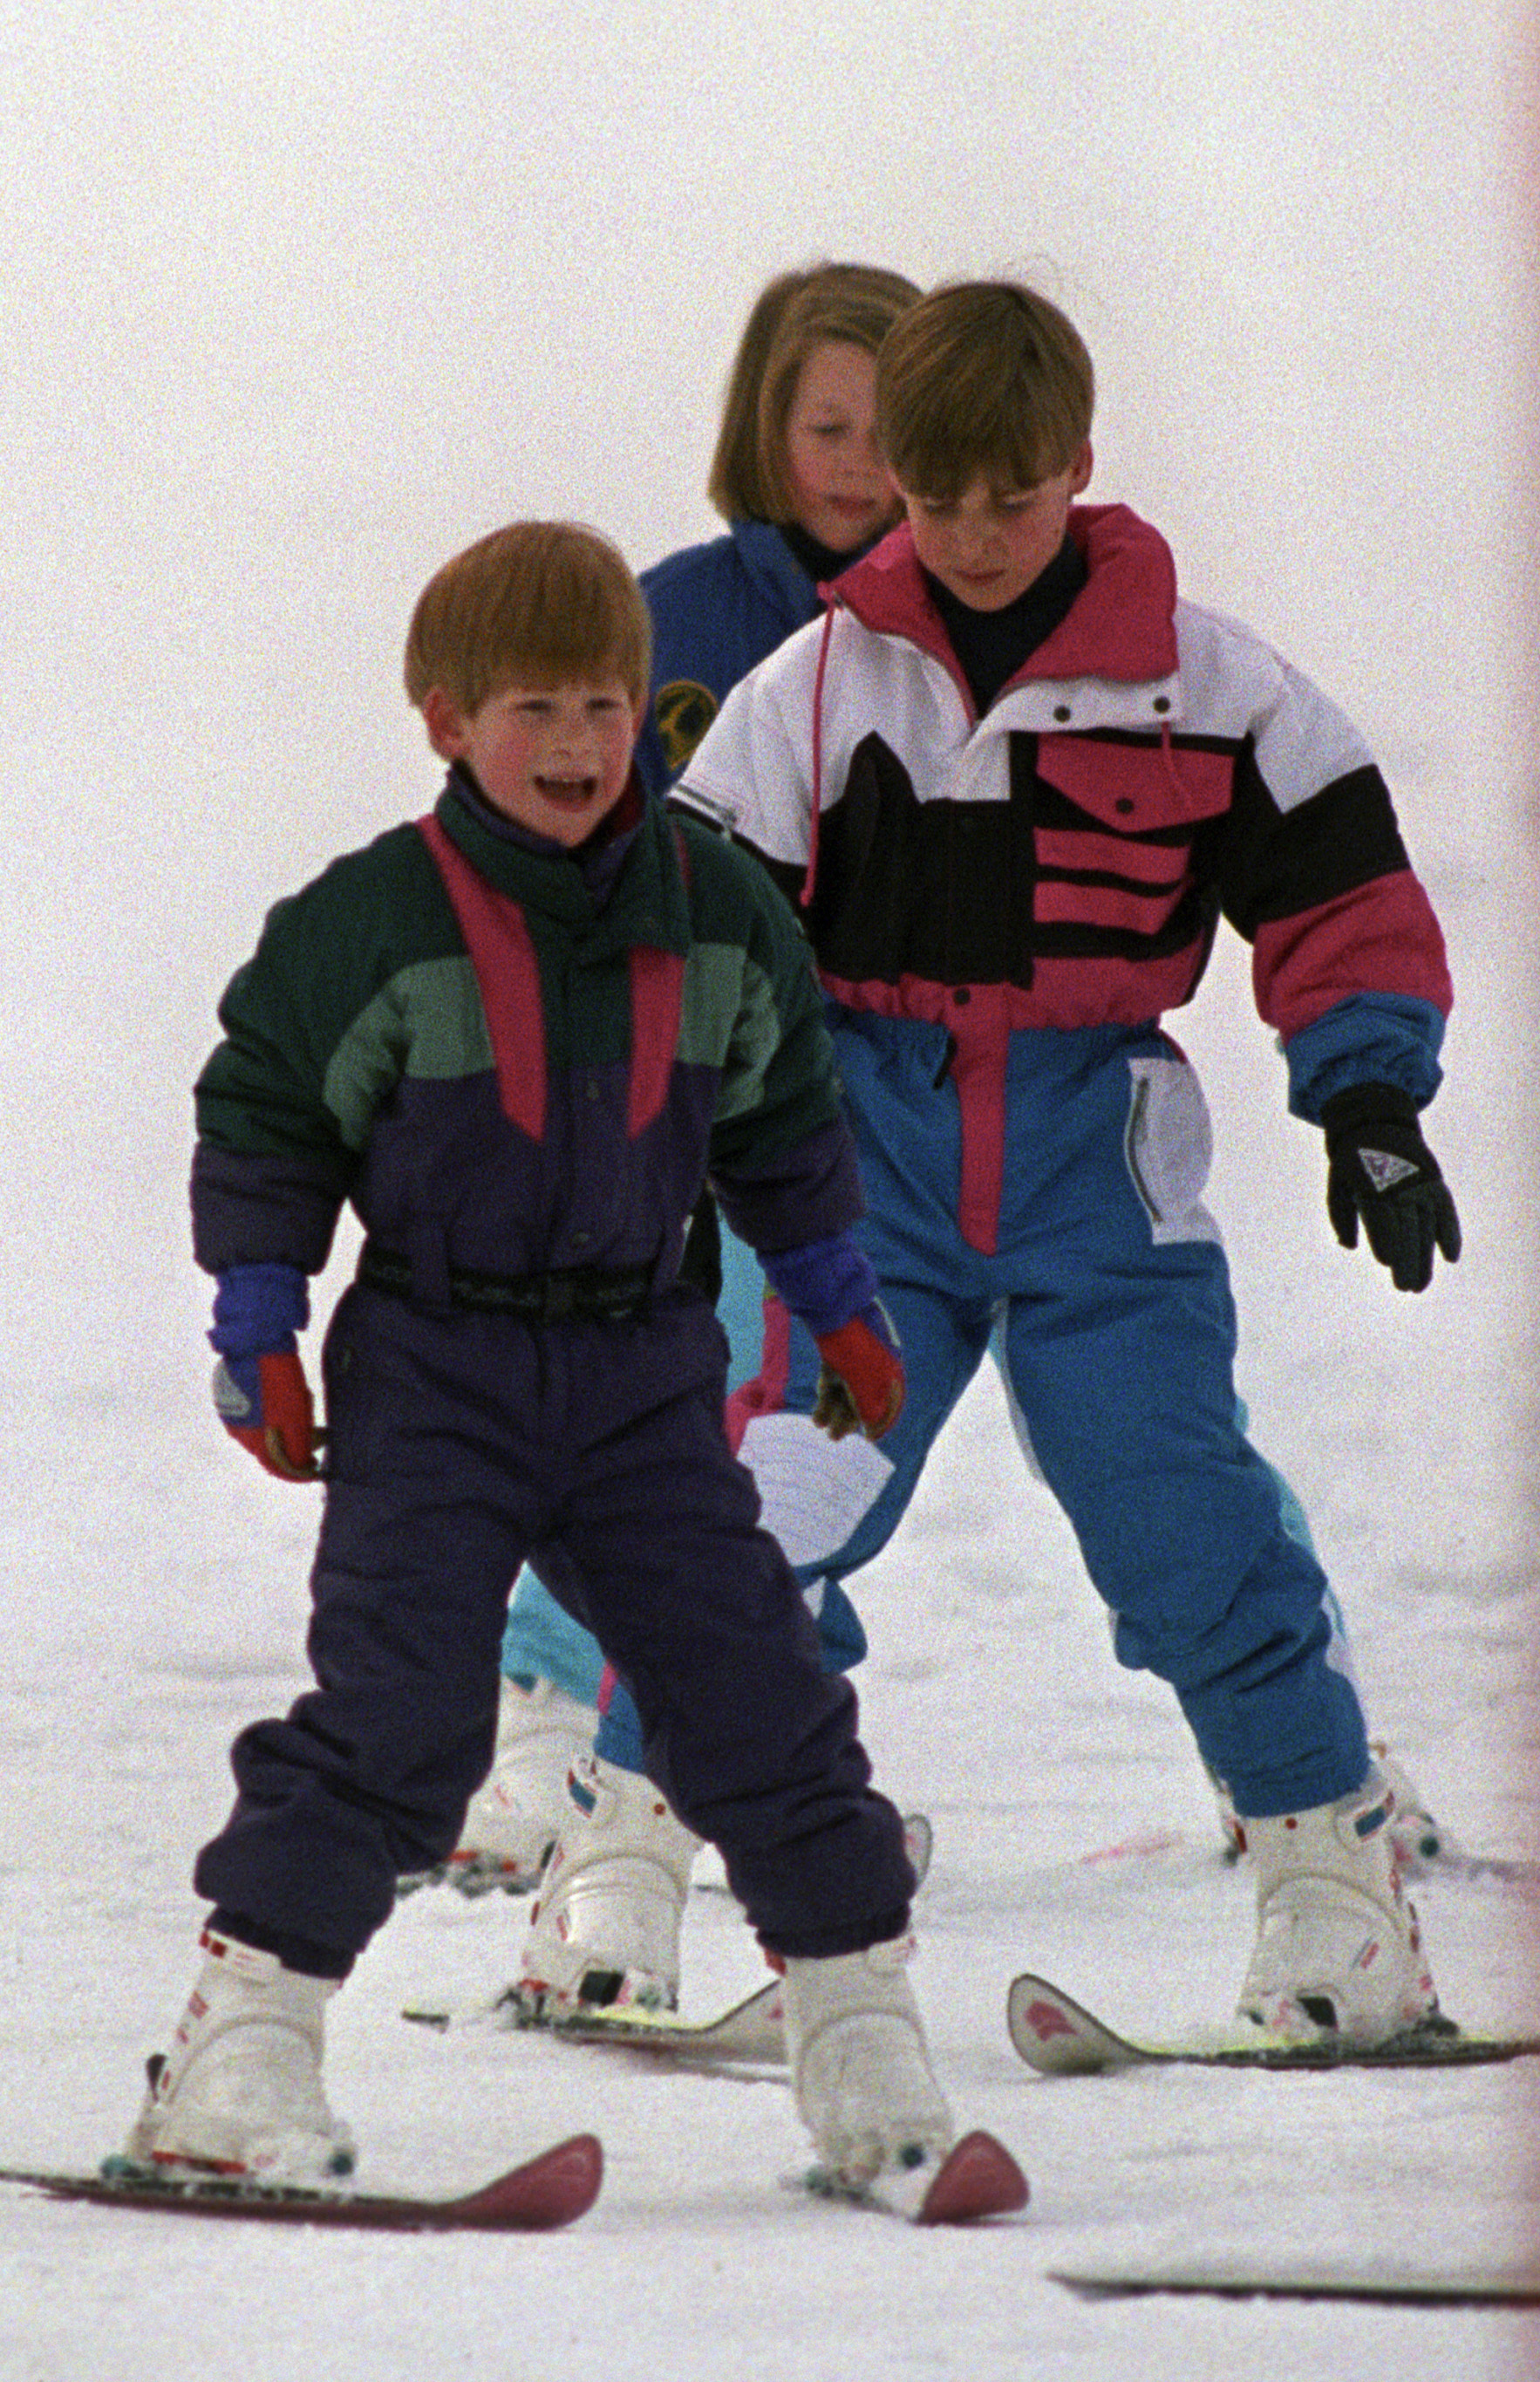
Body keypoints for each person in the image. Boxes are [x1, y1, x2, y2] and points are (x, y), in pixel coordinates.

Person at [643, 278, 1467, 2046]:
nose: (973, 533)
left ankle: (1334, 1893)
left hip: (1100, 1177)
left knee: (1182, 1525)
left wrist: (1372, 1099)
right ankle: (618, 1876)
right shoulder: (815, 685)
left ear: (1075, 466)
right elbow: (689, 922)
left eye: (1010, 496)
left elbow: (1336, 890)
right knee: (750, 1507)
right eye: (936, 499)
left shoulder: (1208, 683)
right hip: (865, 1181)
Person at [126, 520, 956, 2195]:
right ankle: (237, 2059)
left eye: (605, 706)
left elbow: (785, 1121)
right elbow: (268, 1118)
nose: (577, 746)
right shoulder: (368, 925)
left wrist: (841, 1302)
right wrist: (255, 1322)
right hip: (435, 1370)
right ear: (446, 720)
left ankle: (863, 2045)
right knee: (401, 1719)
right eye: (533, 711)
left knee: (755, 1694)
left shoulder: (721, 912)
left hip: (646, 1368)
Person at [437, 263, 923, 1897]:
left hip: (900, 1115)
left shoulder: (973, 631)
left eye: (889, 428)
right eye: (825, 425)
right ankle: (543, 1714)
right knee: (653, 1384)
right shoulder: (676, 620)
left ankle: (754, 1730)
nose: (858, 465)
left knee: (813, 1431)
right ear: (761, 428)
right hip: (689, 1095)